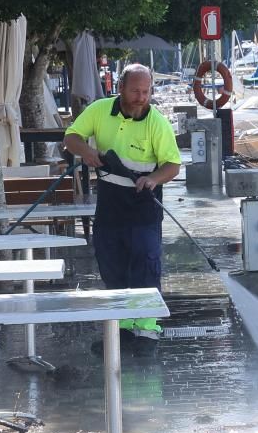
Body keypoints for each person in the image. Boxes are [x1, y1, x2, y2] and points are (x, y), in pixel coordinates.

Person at [63, 64, 182, 352]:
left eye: (146, 91)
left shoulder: (158, 124)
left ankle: (147, 329)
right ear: (120, 88)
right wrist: (87, 151)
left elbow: (173, 165)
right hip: (110, 201)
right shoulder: (99, 110)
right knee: (111, 261)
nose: (142, 97)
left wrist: (153, 178)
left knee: (145, 261)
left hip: (144, 203)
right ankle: (122, 327)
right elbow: (71, 137)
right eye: (135, 91)